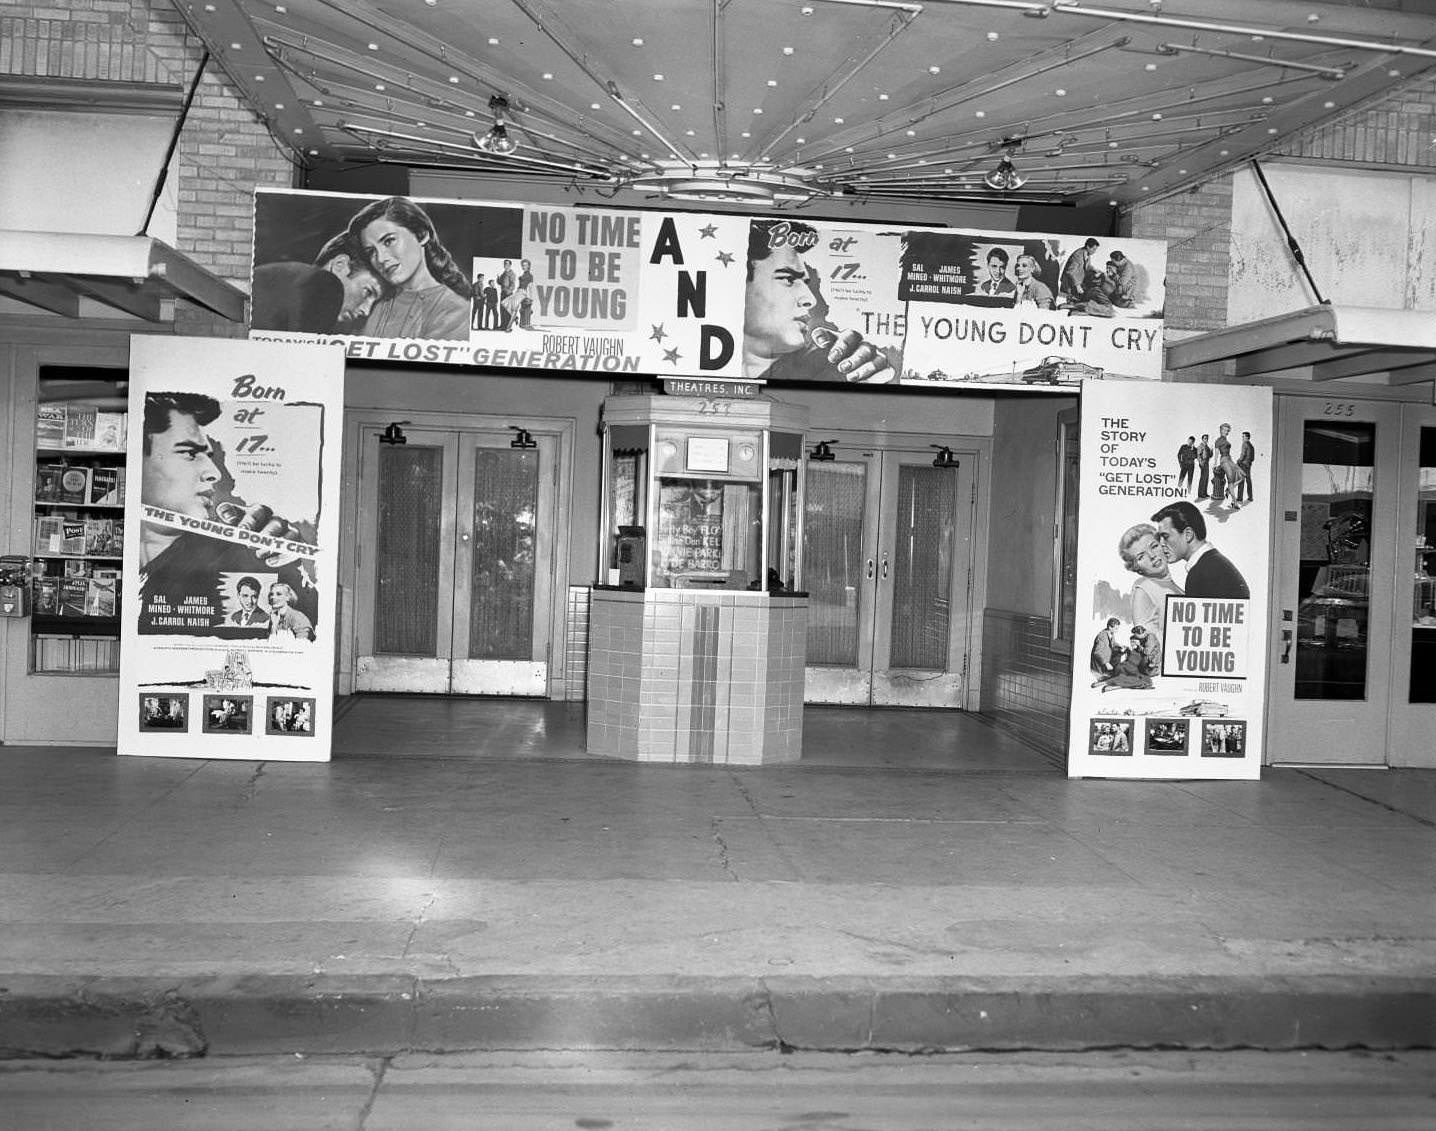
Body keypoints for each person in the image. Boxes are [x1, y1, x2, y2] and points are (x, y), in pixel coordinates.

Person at [139, 392, 312, 635]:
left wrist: (293, 564)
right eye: (189, 453)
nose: (214, 473)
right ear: (137, 459)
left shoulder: (238, 552)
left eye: (209, 456)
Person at [742, 219, 894, 383]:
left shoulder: (818, 368)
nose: (811, 300)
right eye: (788, 279)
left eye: (805, 283)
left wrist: (868, 375)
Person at [348, 196, 473, 340]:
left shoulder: (455, 312)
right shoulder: (371, 305)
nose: (381, 259)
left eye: (388, 241)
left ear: (421, 234)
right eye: (371, 252)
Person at [250, 231, 385, 335]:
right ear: (340, 265)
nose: (365, 311)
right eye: (367, 291)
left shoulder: (283, 279)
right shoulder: (317, 285)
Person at [1151, 500, 1250, 599]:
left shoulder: (1200, 573)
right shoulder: (1213, 562)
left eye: (1165, 536)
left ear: (1188, 534)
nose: (1161, 544)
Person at [1118, 522, 1183, 646]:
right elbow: (1150, 643)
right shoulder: (1143, 589)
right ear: (1136, 568)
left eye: (1154, 546)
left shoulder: (1175, 588)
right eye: (1141, 557)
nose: (1152, 556)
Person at [1060, 238, 1100, 302]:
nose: (1094, 251)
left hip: (1078, 281)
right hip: (1069, 284)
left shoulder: (1087, 254)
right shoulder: (1077, 255)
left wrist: (1094, 270)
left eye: (1096, 249)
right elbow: (1070, 272)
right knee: (1084, 299)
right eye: (1093, 249)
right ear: (1088, 247)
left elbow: (1087, 266)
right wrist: (1077, 286)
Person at [1090, 616, 1121, 683]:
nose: (1117, 630)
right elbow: (1097, 652)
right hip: (1099, 666)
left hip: (1106, 661)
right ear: (1110, 627)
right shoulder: (1102, 636)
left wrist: (1121, 646)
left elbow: (1113, 643)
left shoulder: (1111, 633)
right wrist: (1106, 663)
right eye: (1116, 628)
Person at [1211, 422, 1233, 504]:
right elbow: (1216, 453)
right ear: (1220, 430)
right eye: (1224, 430)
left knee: (1236, 476)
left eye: (1227, 431)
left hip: (1228, 458)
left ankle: (1228, 491)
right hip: (1224, 459)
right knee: (1231, 477)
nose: (1226, 432)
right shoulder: (1218, 441)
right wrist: (1215, 463)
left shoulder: (1225, 439)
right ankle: (1230, 495)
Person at [497, 258, 517, 331]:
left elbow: (513, 284)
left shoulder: (511, 273)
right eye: (504, 263)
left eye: (507, 264)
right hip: (503, 293)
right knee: (502, 309)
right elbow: (500, 283)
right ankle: (502, 325)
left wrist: (508, 291)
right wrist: (498, 278)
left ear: (510, 265)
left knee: (507, 310)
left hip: (508, 293)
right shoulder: (504, 273)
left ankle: (507, 327)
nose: (505, 265)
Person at [1237, 431, 1256, 503]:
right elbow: (1253, 458)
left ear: (1247, 438)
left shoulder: (1244, 444)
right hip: (1248, 465)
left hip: (1243, 465)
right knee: (1248, 481)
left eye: (1243, 437)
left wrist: (1238, 461)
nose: (1242, 438)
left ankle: (1239, 498)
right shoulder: (1251, 446)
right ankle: (1250, 497)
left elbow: (1243, 454)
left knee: (1241, 481)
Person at [1194, 433, 1212, 499]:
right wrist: (1201, 463)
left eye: (1207, 438)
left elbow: (1210, 455)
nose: (1206, 440)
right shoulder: (1200, 446)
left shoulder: (1207, 446)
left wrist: (1211, 451)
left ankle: (1204, 493)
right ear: (1202, 439)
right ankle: (1200, 494)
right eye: (1205, 438)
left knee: (1206, 478)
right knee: (1203, 478)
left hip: (1207, 463)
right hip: (1203, 463)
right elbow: (1198, 456)